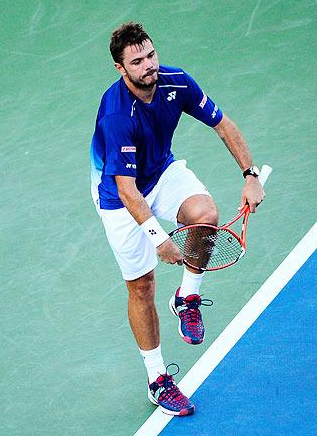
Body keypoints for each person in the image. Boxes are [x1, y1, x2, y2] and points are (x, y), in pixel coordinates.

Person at [90, 22, 265, 416]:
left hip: (162, 172)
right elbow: (126, 190)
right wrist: (157, 236)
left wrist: (250, 176)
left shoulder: (176, 81)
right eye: (137, 61)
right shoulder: (117, 114)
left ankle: (187, 297)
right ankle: (157, 380)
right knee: (142, 287)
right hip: (120, 196)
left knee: (205, 214)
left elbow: (224, 126)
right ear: (121, 68)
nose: (149, 65)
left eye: (151, 55)